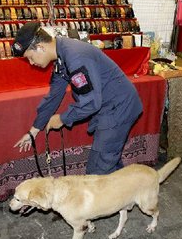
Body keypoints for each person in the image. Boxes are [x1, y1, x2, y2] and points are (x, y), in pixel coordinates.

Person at [12, 22, 143, 175]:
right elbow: (54, 96)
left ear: (40, 47)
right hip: (110, 107)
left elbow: (91, 102)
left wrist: (62, 119)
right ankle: (124, 195)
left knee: (97, 174)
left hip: (118, 109)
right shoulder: (61, 55)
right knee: (109, 165)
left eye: (30, 57)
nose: (32, 63)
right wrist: (33, 131)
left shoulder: (75, 56)